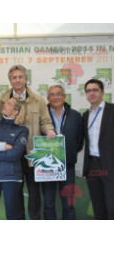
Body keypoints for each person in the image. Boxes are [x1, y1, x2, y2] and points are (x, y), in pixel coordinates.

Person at [0, 65, 56, 220]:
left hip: (33, 155)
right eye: (14, 77)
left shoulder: (39, 100)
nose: (17, 80)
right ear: (10, 80)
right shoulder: (2, 101)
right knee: (15, 192)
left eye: (20, 77)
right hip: (12, 154)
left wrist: (50, 130)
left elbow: (45, 121)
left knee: (34, 193)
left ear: (26, 79)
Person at [43, 85, 83, 220]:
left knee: (68, 204)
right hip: (47, 168)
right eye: (52, 95)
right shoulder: (42, 116)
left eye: (58, 94)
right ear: (48, 98)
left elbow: (79, 140)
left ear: (64, 96)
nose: (55, 97)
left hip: (68, 166)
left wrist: (67, 153)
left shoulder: (75, 115)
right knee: (48, 203)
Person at [83, 79, 114, 220]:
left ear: (102, 92)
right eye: (88, 91)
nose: (92, 93)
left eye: (95, 90)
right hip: (92, 166)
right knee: (98, 205)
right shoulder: (85, 116)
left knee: (112, 205)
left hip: (110, 165)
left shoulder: (112, 110)